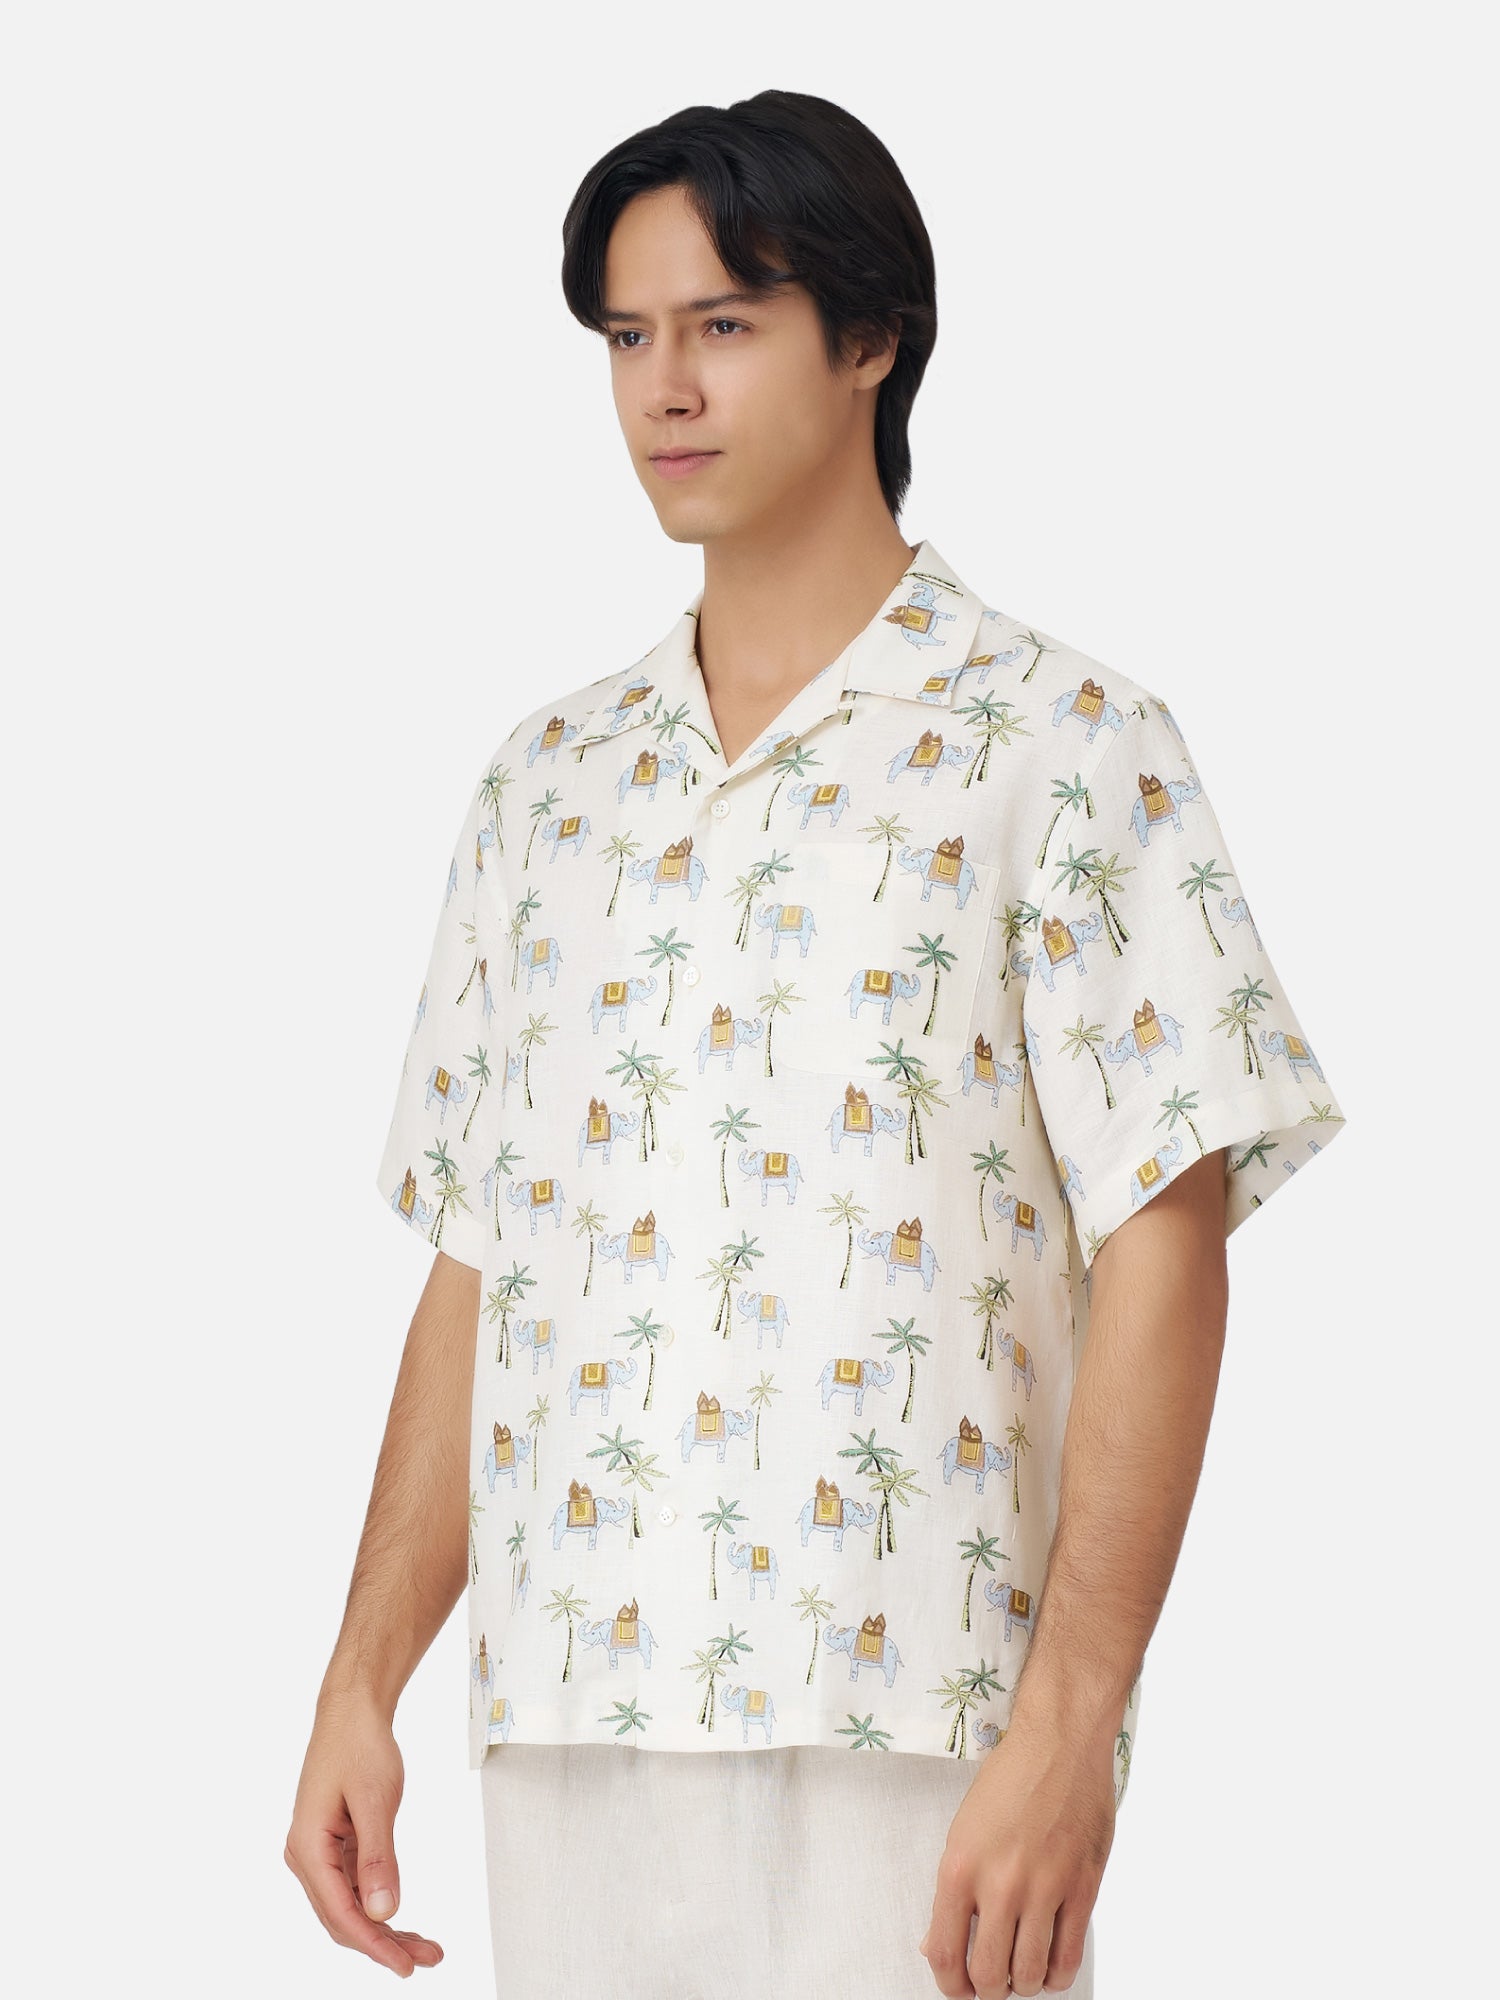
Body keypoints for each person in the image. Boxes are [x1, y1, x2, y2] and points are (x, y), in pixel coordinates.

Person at [284, 90, 1347, 2000]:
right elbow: (478, 1259)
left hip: (919, 1738)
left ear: (871, 339)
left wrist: (1072, 1728)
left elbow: (1165, 1238)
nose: (664, 388)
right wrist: (361, 1678)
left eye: (725, 323)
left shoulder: (1061, 744)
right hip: (571, 1734)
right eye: (628, 337)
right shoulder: (546, 786)